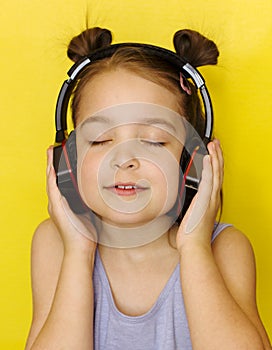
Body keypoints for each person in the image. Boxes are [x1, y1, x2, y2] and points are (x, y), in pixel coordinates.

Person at [25, 27, 271, 350]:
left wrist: (195, 247)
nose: (124, 159)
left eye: (153, 141)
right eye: (100, 140)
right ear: (67, 163)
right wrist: (78, 253)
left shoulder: (225, 249)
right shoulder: (55, 247)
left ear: (191, 163)